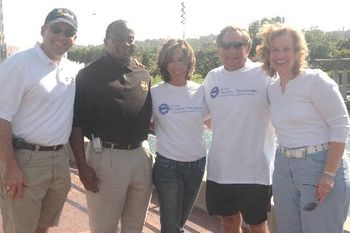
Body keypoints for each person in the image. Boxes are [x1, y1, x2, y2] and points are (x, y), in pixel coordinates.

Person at [256, 23, 350, 233]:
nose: (280, 55)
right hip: (283, 168)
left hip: (318, 165)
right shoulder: (272, 88)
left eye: (286, 49)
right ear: (267, 53)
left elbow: (341, 125)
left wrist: (328, 173)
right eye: (274, 49)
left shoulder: (315, 81)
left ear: (298, 52)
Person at [0, 8, 80, 233]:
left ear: (75, 38)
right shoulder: (19, 64)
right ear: (44, 30)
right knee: (19, 228)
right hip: (25, 160)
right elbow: (1, 118)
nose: (62, 36)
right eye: (56, 28)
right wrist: (10, 166)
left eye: (69, 32)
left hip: (58, 160)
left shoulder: (69, 68)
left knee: (42, 227)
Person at [69, 19, 153, 233]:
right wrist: (82, 166)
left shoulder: (143, 74)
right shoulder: (88, 75)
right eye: (118, 39)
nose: (124, 43)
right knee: (104, 228)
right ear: (106, 41)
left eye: (130, 39)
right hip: (106, 158)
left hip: (140, 156)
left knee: (135, 227)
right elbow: (76, 125)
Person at [202, 25, 276, 233]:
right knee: (228, 220)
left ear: (248, 47)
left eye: (238, 45)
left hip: (255, 169)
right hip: (221, 168)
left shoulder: (265, 73)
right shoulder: (212, 77)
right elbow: (205, 117)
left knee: (257, 224)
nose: (232, 51)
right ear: (218, 48)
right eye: (226, 45)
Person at [151, 39, 208, 233]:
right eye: (171, 60)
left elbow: (214, 122)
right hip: (168, 166)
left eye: (181, 60)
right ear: (164, 64)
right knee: (170, 226)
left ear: (189, 62)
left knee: (180, 223)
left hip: (197, 164)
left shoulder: (201, 91)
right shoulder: (155, 93)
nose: (176, 66)